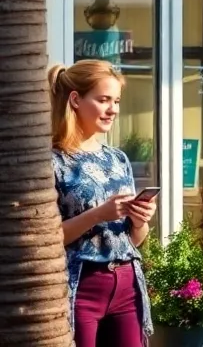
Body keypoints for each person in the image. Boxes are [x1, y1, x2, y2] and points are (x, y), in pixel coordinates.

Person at [50, 61, 156, 347]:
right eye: (104, 100)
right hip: (80, 285)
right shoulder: (53, 162)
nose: (113, 109)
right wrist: (98, 214)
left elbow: (134, 240)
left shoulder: (117, 159)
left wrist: (140, 219)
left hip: (127, 284)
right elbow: (47, 240)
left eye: (116, 101)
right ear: (75, 100)